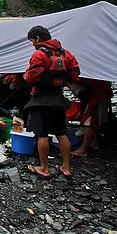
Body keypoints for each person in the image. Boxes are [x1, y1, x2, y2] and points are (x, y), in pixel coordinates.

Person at [23, 25, 80, 179]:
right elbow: (75, 74)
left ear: (37, 39)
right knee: (61, 133)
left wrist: (26, 77)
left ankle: (44, 168)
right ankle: (66, 167)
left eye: (32, 41)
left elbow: (32, 76)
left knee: (42, 134)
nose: (33, 44)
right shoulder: (65, 53)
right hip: (59, 98)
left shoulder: (39, 54)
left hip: (42, 98)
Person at [71, 78, 113, 157]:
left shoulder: (75, 75)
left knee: (90, 121)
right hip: (96, 94)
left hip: (97, 95)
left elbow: (84, 85)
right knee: (94, 119)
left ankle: (83, 149)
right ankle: (94, 143)